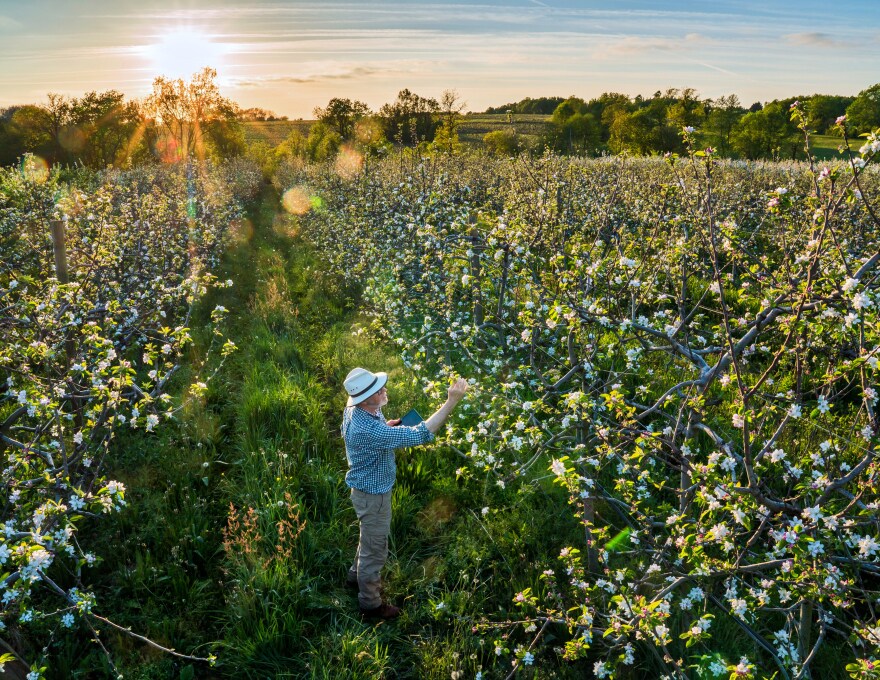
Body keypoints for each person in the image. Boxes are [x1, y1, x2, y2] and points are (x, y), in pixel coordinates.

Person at [341, 367, 468, 620]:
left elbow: (374, 433)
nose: (385, 390)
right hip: (373, 496)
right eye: (379, 390)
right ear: (365, 399)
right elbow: (420, 433)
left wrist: (386, 430)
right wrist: (451, 401)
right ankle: (370, 605)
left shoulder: (356, 409)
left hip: (365, 491)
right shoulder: (368, 429)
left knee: (368, 539)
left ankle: (355, 577)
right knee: (375, 550)